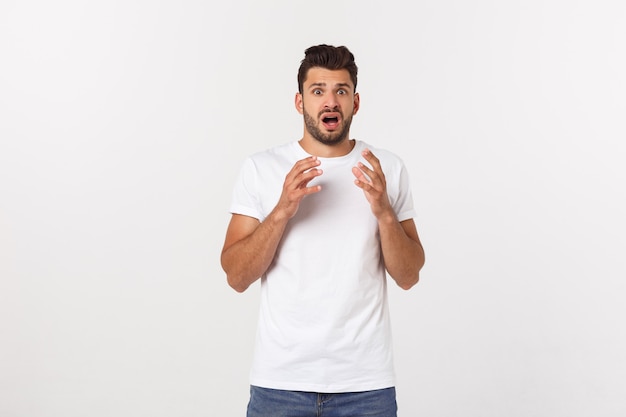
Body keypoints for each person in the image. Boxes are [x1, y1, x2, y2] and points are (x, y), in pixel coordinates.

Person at [221, 44, 425, 417]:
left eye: (340, 91)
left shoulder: (386, 169)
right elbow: (236, 276)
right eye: (318, 91)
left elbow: (409, 275)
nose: (330, 102)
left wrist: (383, 212)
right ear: (299, 102)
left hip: (366, 388)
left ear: (355, 102)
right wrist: (282, 210)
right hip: (280, 385)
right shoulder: (261, 168)